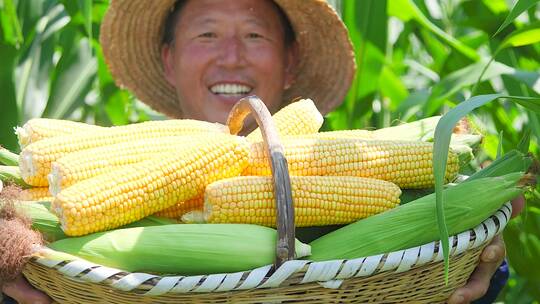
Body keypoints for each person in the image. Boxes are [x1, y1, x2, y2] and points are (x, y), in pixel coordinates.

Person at [1, 0, 523, 303]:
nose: (231, 56)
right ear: (167, 59)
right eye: (206, 34)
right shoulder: (77, 170)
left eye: (254, 34)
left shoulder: (360, 160)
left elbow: (404, 244)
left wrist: (482, 266)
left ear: (291, 60)